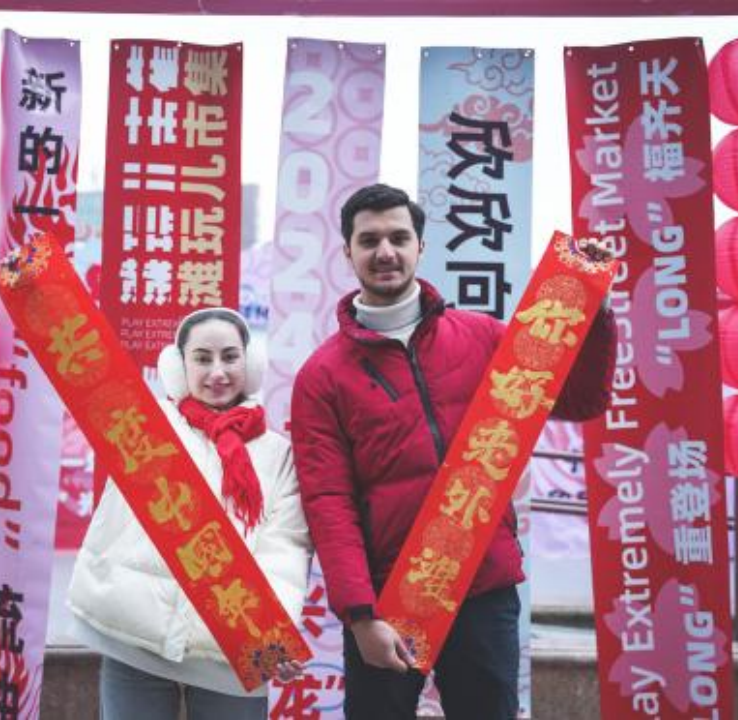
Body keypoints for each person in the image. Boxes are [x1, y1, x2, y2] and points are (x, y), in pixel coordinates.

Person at [290, 184, 615, 720]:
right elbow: (329, 501)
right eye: (369, 240)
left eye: (399, 237)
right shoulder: (322, 376)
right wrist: (360, 615)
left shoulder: (482, 336)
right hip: (388, 598)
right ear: (347, 252)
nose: (385, 252)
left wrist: (593, 309)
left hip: (481, 584)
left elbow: (581, 400)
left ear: (420, 246)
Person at [69, 307, 312, 720]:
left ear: (250, 363)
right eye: (202, 358)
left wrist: (272, 632)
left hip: (229, 649)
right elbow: (80, 370)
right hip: (135, 635)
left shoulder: (278, 455)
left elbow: (283, 550)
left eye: (230, 357)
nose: (217, 371)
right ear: (179, 367)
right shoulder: (145, 426)